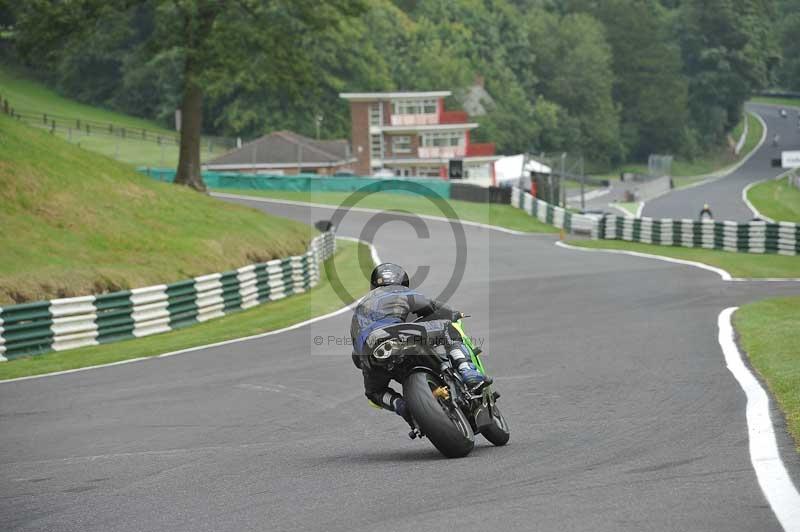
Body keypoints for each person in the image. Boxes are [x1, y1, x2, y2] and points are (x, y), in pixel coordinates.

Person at [350, 262, 485, 423]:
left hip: (370, 351)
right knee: (448, 328)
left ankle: (401, 406)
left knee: (374, 392)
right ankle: (466, 369)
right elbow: (432, 307)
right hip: (399, 335)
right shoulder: (399, 292)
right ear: (403, 282)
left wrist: (368, 363)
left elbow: (356, 358)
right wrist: (453, 313)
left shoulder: (360, 309)